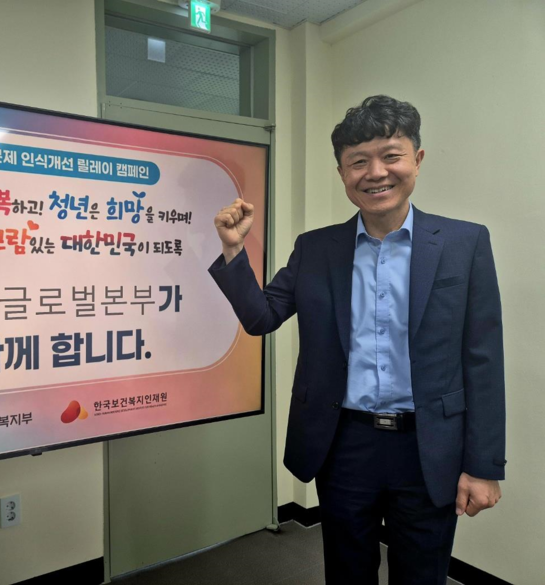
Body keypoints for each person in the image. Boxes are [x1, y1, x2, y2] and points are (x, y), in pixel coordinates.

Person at [209, 95, 505, 585]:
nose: (376, 173)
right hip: (343, 443)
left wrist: (483, 465)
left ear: (417, 159)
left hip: (429, 446)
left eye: (391, 156)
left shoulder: (464, 243)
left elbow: (484, 360)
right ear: (342, 172)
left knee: (422, 576)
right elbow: (262, 317)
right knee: (347, 573)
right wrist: (233, 250)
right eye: (358, 161)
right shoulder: (315, 248)